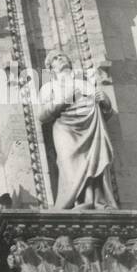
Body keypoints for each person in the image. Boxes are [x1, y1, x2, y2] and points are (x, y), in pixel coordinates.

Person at [39, 51, 117, 210]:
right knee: (69, 163)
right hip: (65, 128)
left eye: (62, 56)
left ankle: (94, 200)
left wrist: (106, 102)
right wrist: (66, 97)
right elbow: (42, 114)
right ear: (51, 68)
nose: (60, 59)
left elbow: (103, 113)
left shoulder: (85, 84)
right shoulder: (49, 87)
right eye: (55, 58)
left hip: (90, 127)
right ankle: (75, 202)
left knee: (93, 162)